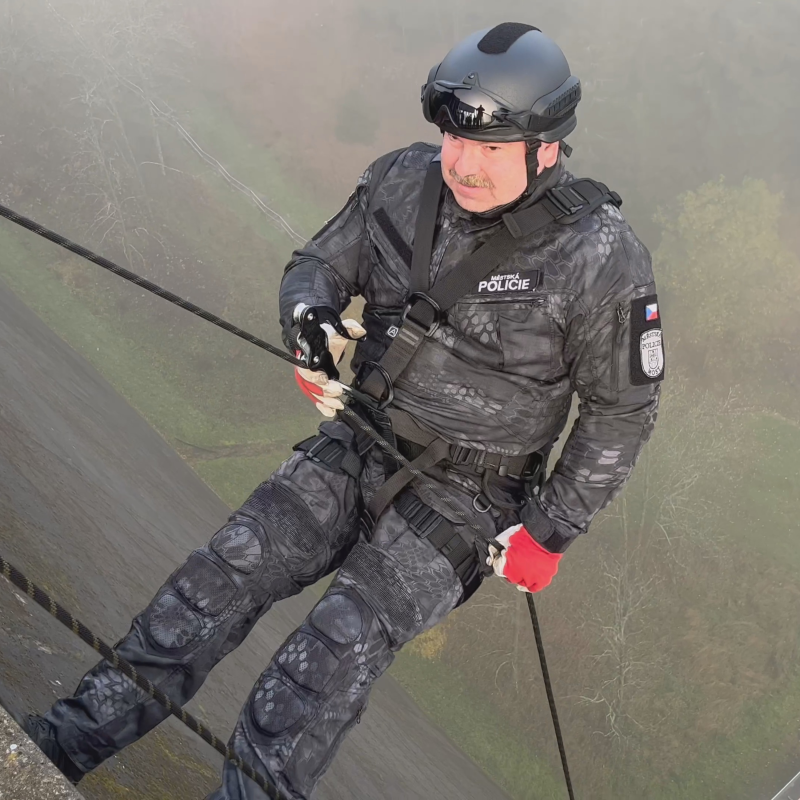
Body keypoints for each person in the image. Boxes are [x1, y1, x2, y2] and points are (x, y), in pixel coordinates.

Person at [23, 22, 664, 800]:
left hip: (465, 501)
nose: (463, 163)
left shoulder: (601, 256)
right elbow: (318, 266)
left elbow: (621, 411)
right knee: (206, 593)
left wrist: (550, 530)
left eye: (491, 148)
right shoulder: (401, 181)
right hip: (356, 440)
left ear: (548, 147)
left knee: (315, 673)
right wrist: (310, 325)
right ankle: (45, 758)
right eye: (453, 138)